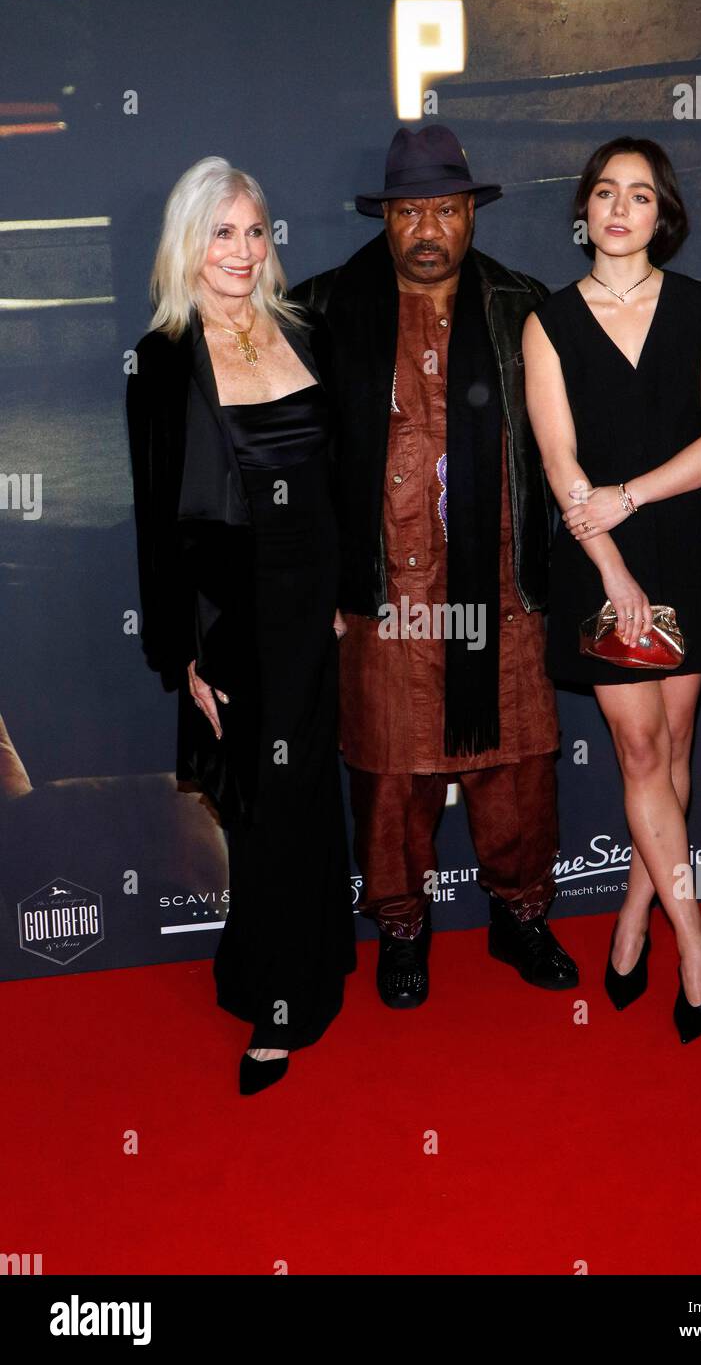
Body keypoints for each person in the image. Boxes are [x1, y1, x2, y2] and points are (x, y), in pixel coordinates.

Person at [292, 125, 578, 1006]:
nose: (428, 229)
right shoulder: (325, 308)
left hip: (500, 585)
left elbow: (570, 440)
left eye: (445, 210)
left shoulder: (523, 306)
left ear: (470, 216)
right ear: (384, 219)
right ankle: (404, 929)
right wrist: (322, 582)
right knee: (388, 775)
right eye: (410, 210)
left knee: (516, 767)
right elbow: (291, 459)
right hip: (385, 590)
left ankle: (519, 917)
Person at [523, 136, 701, 1044]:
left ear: (664, 215)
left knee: (673, 748)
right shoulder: (546, 324)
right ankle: (695, 942)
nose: (621, 210)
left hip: (694, 549)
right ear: (583, 209)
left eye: (641, 197)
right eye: (605, 194)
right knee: (637, 755)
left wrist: (635, 495)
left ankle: (633, 918)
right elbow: (559, 463)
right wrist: (612, 562)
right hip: (596, 561)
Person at [126, 156, 356, 1094]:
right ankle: (271, 998)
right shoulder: (164, 358)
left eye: (255, 231)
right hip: (235, 612)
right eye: (222, 232)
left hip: (312, 604)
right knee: (262, 800)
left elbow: (341, 478)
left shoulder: (302, 331)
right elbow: (155, 519)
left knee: (307, 793)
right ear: (189, 243)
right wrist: (181, 652)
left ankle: (316, 963)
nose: (242, 250)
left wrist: (346, 596)